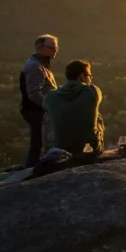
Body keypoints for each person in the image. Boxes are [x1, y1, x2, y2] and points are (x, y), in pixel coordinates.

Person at [42, 60, 105, 156]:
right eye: (89, 76)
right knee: (97, 115)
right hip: (89, 149)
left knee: (48, 115)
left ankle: (46, 152)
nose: (91, 79)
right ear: (82, 77)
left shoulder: (50, 97)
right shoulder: (93, 92)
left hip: (60, 149)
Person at [20, 34, 59, 167]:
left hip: (38, 109)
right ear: (40, 48)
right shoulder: (35, 66)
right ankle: (32, 169)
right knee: (39, 141)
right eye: (52, 47)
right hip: (35, 110)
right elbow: (34, 94)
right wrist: (50, 106)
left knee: (39, 141)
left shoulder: (41, 64)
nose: (56, 50)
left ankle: (33, 167)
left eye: (56, 47)